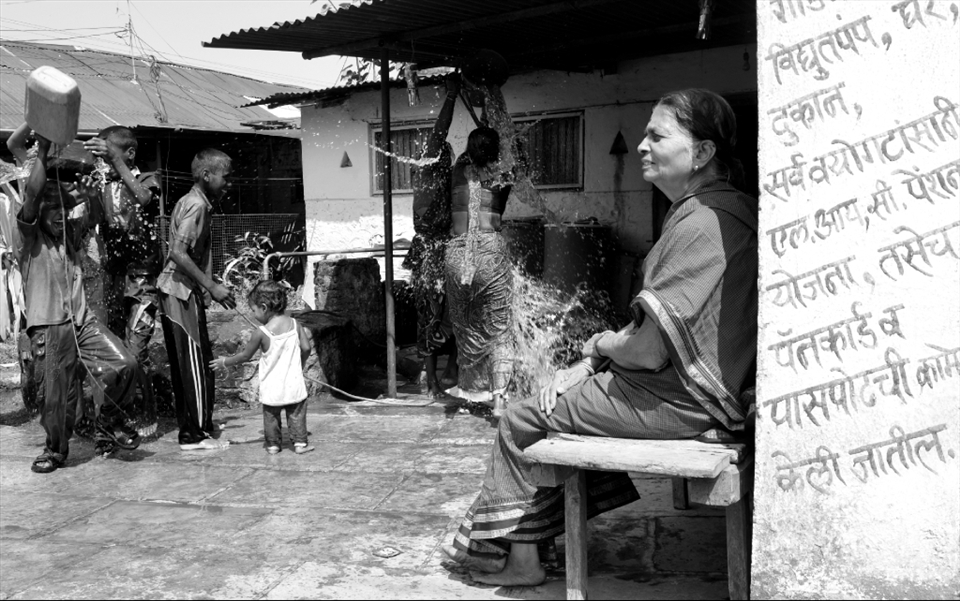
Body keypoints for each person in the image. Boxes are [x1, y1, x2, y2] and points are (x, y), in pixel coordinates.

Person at [442, 89, 758, 586]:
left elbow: (650, 350)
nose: (641, 146)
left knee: (520, 417)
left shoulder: (700, 223)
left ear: (701, 153)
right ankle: (544, 536)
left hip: (684, 400)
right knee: (563, 392)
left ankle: (520, 562)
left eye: (658, 135)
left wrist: (599, 346)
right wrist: (591, 365)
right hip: (707, 394)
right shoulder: (728, 209)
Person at [15, 130, 141, 473]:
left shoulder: (69, 235)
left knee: (124, 365)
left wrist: (87, 197)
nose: (59, 214)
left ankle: (110, 423)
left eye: (62, 208)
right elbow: (32, 196)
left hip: (82, 324)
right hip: (50, 327)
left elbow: (96, 215)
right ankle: (54, 450)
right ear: (37, 212)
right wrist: (41, 151)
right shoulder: (28, 238)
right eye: (51, 208)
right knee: (55, 401)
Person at [82, 126, 161, 433]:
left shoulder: (147, 180)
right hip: (113, 278)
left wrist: (117, 163)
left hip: (142, 282)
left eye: (109, 155)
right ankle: (116, 417)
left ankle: (145, 413)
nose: (104, 163)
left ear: (128, 154)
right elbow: (95, 223)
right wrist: (90, 197)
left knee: (136, 351)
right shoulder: (104, 185)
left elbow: (143, 200)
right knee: (116, 353)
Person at [157, 148, 235, 451]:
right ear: (206, 175)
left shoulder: (194, 201)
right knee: (195, 365)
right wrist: (211, 286)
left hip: (182, 291)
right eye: (225, 177)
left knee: (193, 363)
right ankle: (194, 435)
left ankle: (195, 426)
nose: (228, 183)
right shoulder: (195, 206)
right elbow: (177, 252)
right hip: (179, 292)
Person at [444, 126, 514, 417]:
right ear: (495, 153)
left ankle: (472, 396)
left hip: (458, 255)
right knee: (499, 329)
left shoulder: (456, 172)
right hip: (490, 254)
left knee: (466, 327)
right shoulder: (505, 176)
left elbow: (470, 158)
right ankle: (498, 399)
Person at [403, 72, 460, 395]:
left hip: (445, 250)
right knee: (429, 317)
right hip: (429, 253)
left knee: (456, 312)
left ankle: (450, 369)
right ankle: (435, 380)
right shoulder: (427, 170)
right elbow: (440, 132)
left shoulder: (450, 182)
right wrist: (451, 96)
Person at [210, 280, 313, 454]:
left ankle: (273, 445)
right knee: (296, 412)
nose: (253, 314)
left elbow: (245, 356)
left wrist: (224, 362)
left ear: (264, 307)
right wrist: (300, 365)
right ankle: (300, 444)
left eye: (254, 310)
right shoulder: (296, 325)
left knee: (271, 416)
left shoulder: (261, 333)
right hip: (294, 383)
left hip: (272, 385)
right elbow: (306, 348)